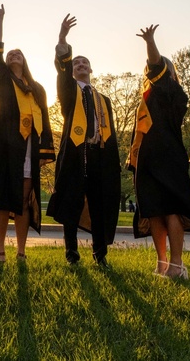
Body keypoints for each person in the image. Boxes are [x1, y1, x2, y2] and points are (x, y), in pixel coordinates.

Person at [0, 0, 55, 264]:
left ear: (25, 60)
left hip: (28, 149)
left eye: (18, 53)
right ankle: (0, 250)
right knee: (2, 200)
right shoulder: (0, 79)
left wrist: (45, 150)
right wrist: (0, 19)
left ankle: (21, 251)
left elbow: (45, 118)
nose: (13, 55)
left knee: (22, 200)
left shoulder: (37, 88)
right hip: (4, 148)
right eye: (11, 55)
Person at [127, 24, 190, 277]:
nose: (150, 71)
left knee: (171, 209)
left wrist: (150, 41)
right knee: (154, 210)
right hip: (147, 159)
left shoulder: (173, 93)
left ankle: (176, 264)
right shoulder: (145, 100)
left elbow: (156, 66)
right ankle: (162, 262)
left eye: (155, 69)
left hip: (169, 157)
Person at [48, 14, 120, 267]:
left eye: (85, 62)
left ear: (91, 69)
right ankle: (72, 255)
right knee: (71, 205)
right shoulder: (69, 92)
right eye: (76, 62)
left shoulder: (104, 100)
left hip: (99, 158)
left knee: (99, 207)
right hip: (75, 157)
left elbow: (109, 134)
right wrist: (62, 38)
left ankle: (100, 256)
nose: (80, 64)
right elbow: (63, 66)